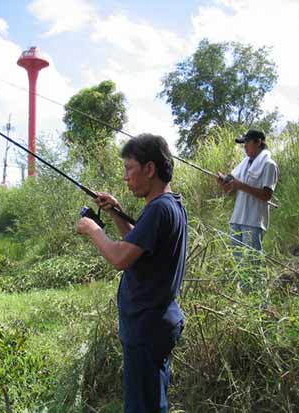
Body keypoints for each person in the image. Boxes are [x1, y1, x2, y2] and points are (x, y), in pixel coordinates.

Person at [76, 133, 187, 413]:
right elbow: (137, 245)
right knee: (152, 399)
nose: (126, 177)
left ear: (149, 169)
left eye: (129, 169)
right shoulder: (171, 204)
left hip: (147, 325)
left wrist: (93, 228)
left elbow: (120, 257)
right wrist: (116, 213)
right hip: (159, 320)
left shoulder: (159, 209)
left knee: (142, 406)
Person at [217, 128, 279, 255]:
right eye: (243, 143)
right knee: (238, 265)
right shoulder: (243, 166)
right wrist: (224, 185)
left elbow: (267, 195)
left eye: (247, 142)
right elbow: (231, 192)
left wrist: (241, 186)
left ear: (258, 142)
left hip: (253, 222)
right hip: (237, 220)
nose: (244, 147)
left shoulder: (269, 165)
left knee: (252, 265)